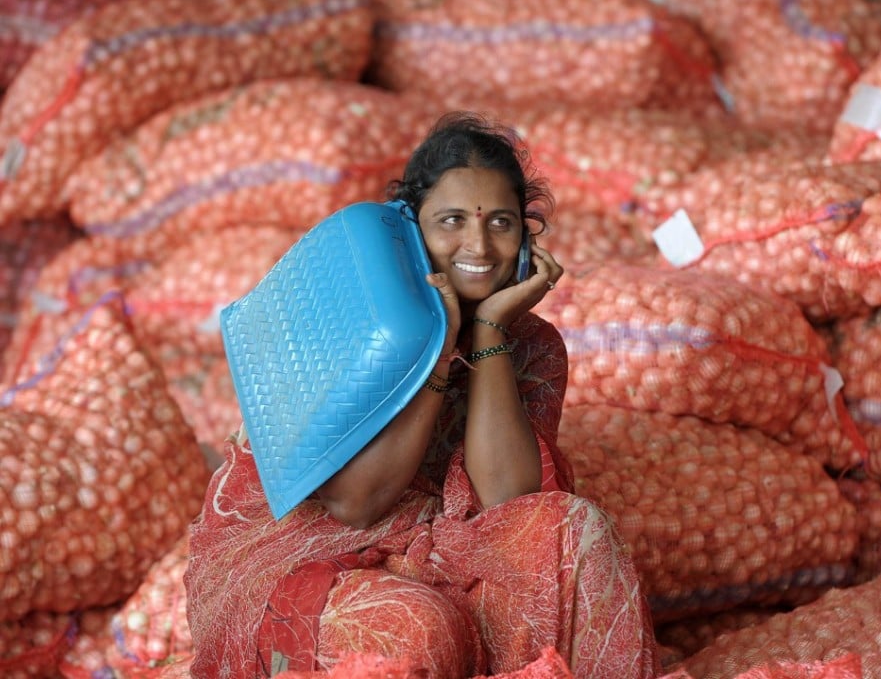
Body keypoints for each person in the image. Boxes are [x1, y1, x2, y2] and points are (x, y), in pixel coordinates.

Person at [184, 111, 661, 678]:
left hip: (439, 548)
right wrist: (436, 350)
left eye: (502, 223)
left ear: (527, 242)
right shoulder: (358, 313)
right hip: (304, 552)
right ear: (409, 230)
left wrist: (485, 332)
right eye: (451, 220)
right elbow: (357, 506)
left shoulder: (531, 346)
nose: (479, 245)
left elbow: (510, 500)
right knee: (419, 628)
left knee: (575, 530)